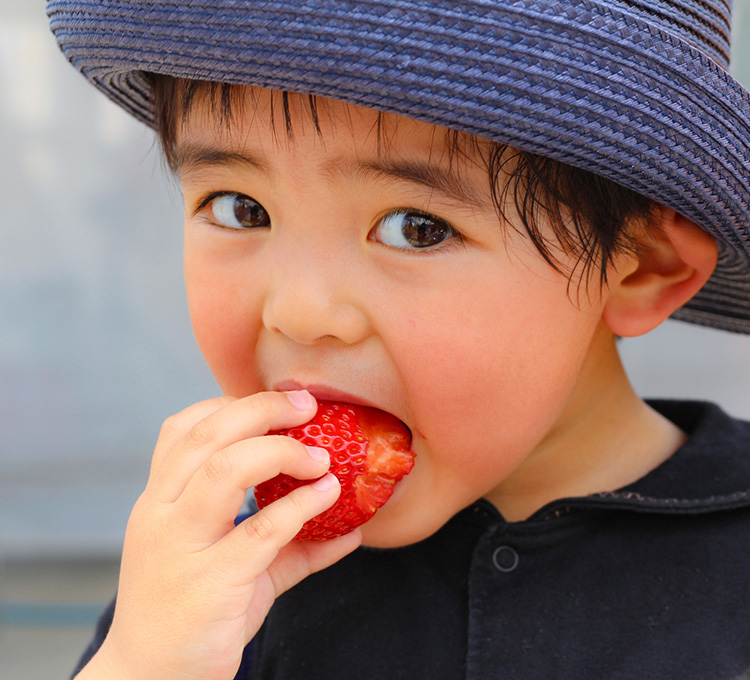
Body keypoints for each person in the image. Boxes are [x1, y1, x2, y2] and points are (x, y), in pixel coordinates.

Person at [47, 1, 750, 678]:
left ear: (645, 269)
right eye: (242, 209)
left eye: (417, 227)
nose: (300, 311)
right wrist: (144, 663)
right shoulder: (211, 577)